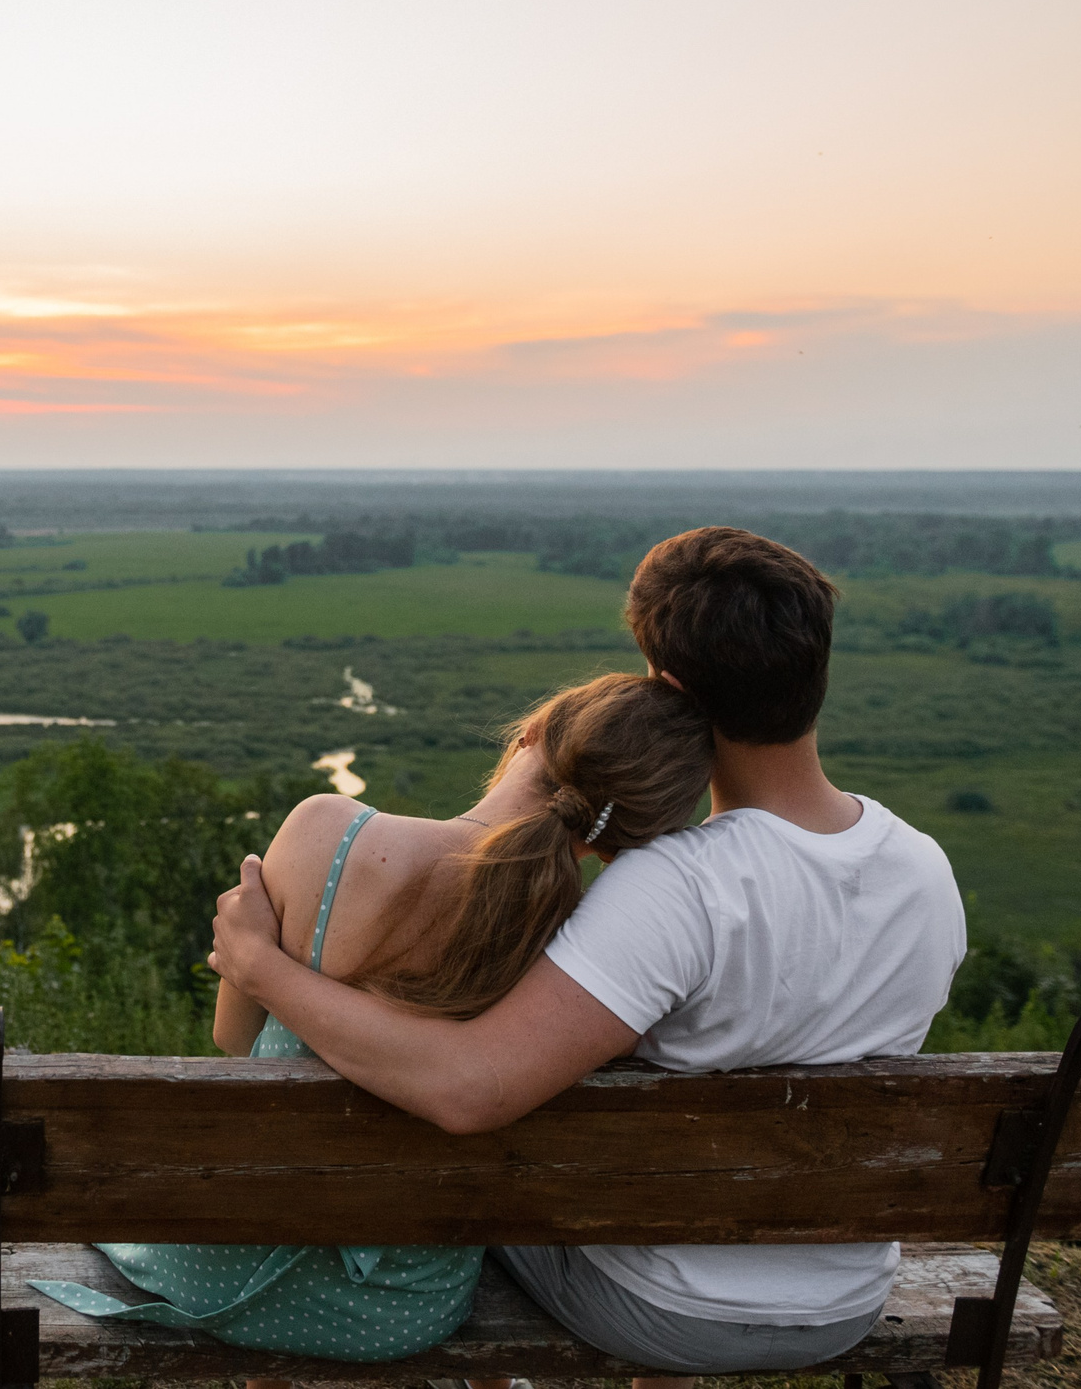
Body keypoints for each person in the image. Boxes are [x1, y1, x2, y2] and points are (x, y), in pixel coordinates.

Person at [209, 526, 968, 1389]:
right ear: (812, 669)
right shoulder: (925, 869)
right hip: (845, 1297)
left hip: (666, 1301)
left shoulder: (676, 887)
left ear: (670, 690)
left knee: (470, 1156)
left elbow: (468, 1089)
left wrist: (265, 970)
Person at [28, 670, 714, 1385]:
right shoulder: (587, 960)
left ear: (532, 732)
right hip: (394, 1309)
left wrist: (266, 963)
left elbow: (232, 1039)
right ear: (618, 844)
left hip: (207, 1265)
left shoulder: (326, 830)